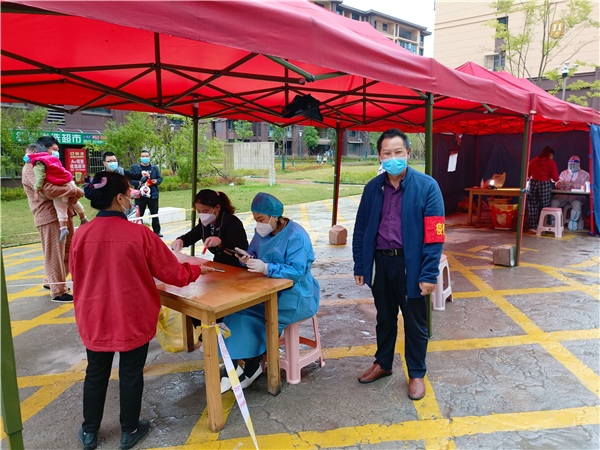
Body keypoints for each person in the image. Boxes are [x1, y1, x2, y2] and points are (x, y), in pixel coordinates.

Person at [70, 171, 214, 450]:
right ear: (120, 198)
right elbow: (173, 274)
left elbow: (76, 273)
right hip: (131, 316)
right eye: (128, 193)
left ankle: (89, 433)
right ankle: (129, 430)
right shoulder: (139, 234)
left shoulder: (82, 234)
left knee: (95, 372)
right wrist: (197, 269)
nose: (131, 198)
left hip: (94, 316)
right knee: (131, 373)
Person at [352, 128, 444, 401]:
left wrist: (429, 274)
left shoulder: (427, 186)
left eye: (398, 152)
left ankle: (416, 373)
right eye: (387, 153)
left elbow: (435, 235)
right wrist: (361, 264)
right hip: (381, 263)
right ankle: (383, 363)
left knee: (415, 323)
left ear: (408, 153)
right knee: (384, 318)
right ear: (379, 156)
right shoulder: (372, 188)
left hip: (411, 266)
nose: (393, 158)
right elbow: (361, 229)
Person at [219, 192, 320, 393]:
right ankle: (243, 361)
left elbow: (298, 272)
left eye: (261, 219)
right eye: (255, 219)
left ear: (275, 216)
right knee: (236, 309)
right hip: (267, 289)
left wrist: (267, 268)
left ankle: (251, 364)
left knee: (255, 315)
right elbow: (255, 252)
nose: (258, 224)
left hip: (295, 296)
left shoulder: (296, 236)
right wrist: (247, 258)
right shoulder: (262, 232)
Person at [22, 141, 84, 303]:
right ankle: (58, 291)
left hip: (63, 215)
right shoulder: (31, 167)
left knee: (68, 251)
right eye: (53, 150)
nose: (55, 154)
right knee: (54, 254)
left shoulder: (48, 165)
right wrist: (74, 190)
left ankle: (52, 282)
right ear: (39, 150)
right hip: (49, 217)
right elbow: (48, 191)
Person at [26, 144, 88, 242]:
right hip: (69, 181)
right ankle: (83, 218)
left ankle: (63, 229)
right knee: (74, 201)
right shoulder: (51, 158)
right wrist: (74, 189)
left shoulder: (38, 162)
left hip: (59, 185)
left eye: (26, 154)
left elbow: (40, 178)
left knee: (60, 207)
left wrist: (37, 191)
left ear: (34, 152)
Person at [170, 189, 248, 268]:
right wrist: (181, 240)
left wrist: (221, 242)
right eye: (199, 211)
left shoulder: (232, 222)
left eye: (205, 211)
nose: (202, 215)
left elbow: (241, 249)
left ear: (217, 208)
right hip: (218, 264)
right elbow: (192, 236)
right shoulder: (205, 223)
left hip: (237, 266)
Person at [551, 155, 590, 231]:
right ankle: (554, 223)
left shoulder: (584, 174)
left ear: (578, 164)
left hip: (576, 197)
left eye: (573, 164)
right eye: (570, 164)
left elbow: (585, 187)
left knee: (577, 204)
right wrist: (559, 184)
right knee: (554, 202)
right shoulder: (564, 173)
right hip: (563, 196)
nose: (571, 166)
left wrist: (573, 185)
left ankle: (573, 223)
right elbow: (558, 182)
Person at [129, 150, 163, 237]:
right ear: (140, 157)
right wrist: (139, 183)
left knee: (154, 213)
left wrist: (156, 181)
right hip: (140, 195)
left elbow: (160, 178)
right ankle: (139, 232)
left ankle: (157, 231)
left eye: (147, 156)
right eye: (143, 156)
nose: (145, 158)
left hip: (153, 194)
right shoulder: (135, 167)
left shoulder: (154, 167)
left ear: (150, 157)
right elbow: (131, 180)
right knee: (139, 214)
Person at [527, 146, 559, 231]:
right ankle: (543, 225)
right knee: (544, 206)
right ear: (551, 154)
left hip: (532, 183)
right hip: (544, 184)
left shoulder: (533, 161)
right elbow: (555, 178)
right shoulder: (551, 162)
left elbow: (528, 174)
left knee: (532, 206)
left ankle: (532, 226)